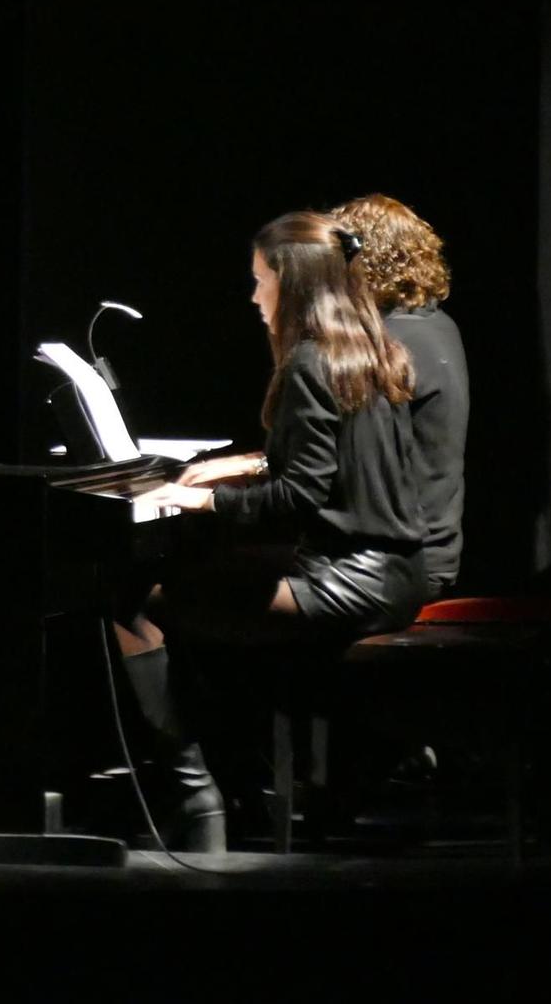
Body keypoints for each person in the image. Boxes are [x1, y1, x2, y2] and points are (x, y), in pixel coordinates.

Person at [120, 210, 426, 850]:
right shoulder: (368, 352)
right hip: (393, 572)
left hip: (348, 582)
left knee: (136, 606)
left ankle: (196, 797)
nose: (255, 297)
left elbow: (296, 499)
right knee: (201, 593)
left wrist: (195, 502)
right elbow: (334, 467)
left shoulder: (310, 363)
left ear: (293, 284)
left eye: (261, 281)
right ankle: (236, 787)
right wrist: (249, 465)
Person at [332, 194, 467, 598]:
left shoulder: (391, 344)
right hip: (428, 554)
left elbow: (342, 466)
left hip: (394, 566)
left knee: (191, 590)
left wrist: (250, 476)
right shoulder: (438, 326)